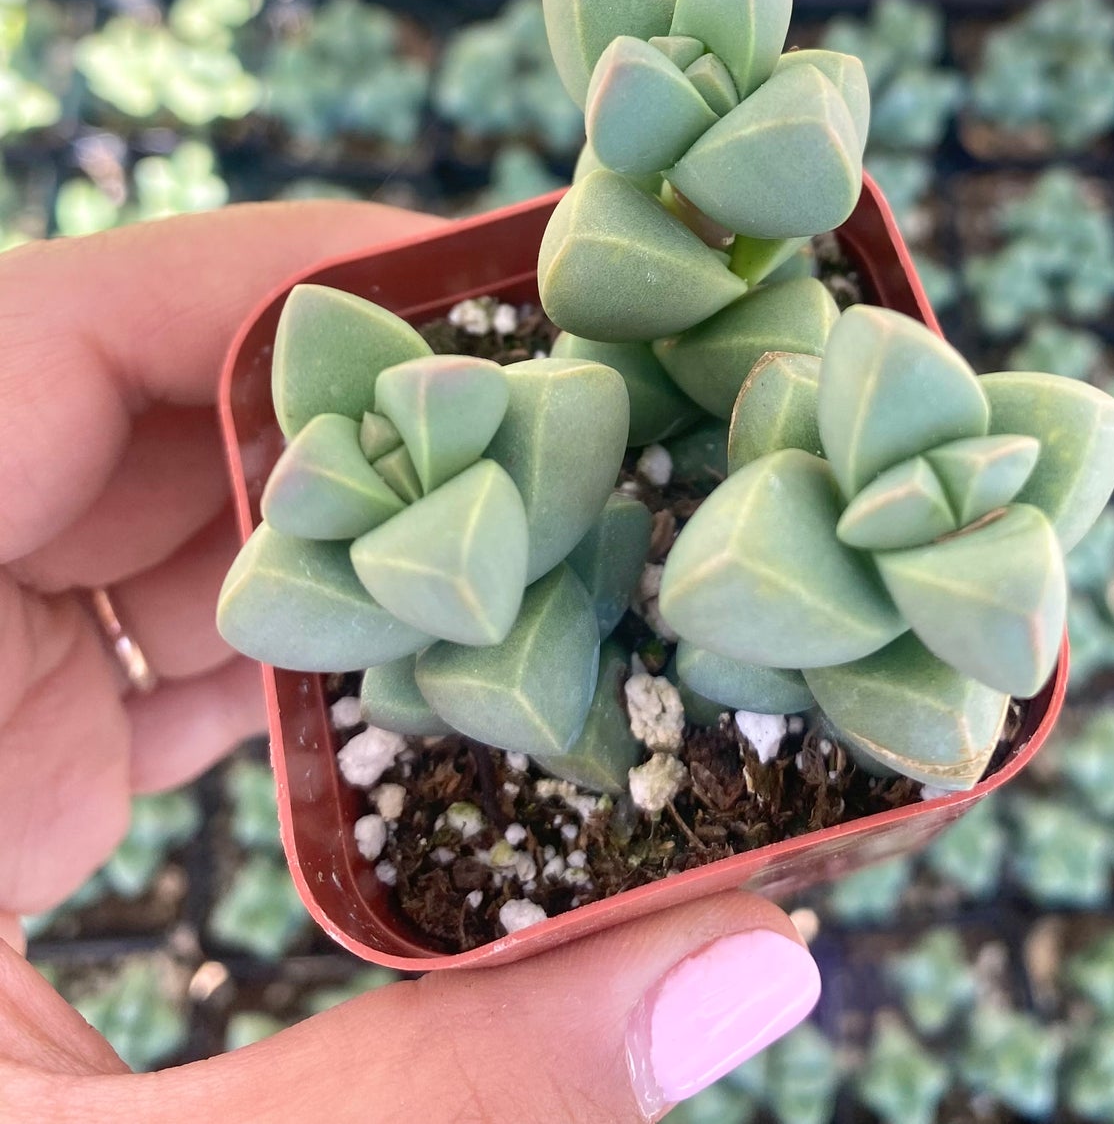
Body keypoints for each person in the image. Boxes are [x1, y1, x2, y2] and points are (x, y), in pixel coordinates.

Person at [0, 204, 820, 1120]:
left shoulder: (550, 424)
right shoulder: (391, 594)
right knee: (513, 675)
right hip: (514, 647)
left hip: (563, 593)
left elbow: (576, 414)